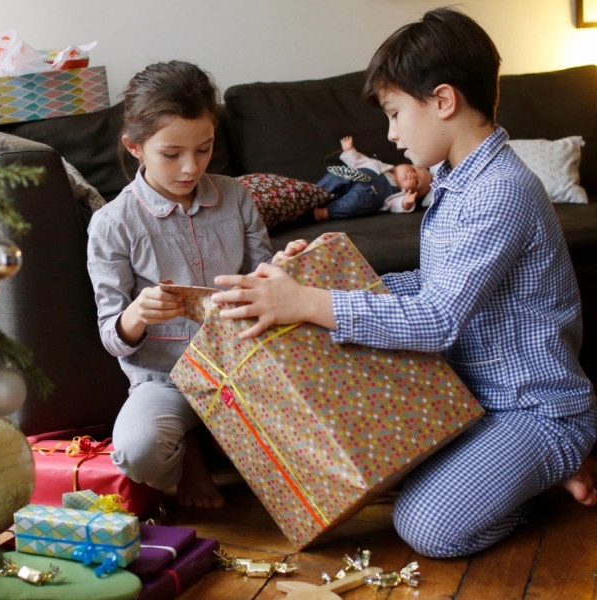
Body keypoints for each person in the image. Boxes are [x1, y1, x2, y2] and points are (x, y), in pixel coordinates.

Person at [211, 8, 597, 557]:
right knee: (370, 466)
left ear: (443, 101)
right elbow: (429, 281)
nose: (390, 135)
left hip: (534, 408)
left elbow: (437, 318)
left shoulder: (501, 191)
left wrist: (310, 301)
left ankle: (550, 464)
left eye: (394, 114)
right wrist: (320, 276)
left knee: (426, 526)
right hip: (470, 398)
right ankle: (516, 470)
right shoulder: (455, 181)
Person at [86, 60, 272, 509]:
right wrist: (136, 315)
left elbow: (267, 279)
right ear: (134, 147)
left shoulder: (236, 197)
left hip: (250, 364)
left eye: (204, 149)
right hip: (167, 380)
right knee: (137, 450)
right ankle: (189, 456)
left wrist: (285, 270)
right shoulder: (112, 224)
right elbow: (112, 336)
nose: (191, 168)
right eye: (172, 154)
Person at [313, 135, 433, 221]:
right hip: (354, 175)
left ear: (411, 192)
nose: (412, 175)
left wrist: (406, 203)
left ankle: (326, 212)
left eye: (416, 181)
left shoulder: (396, 195)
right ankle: (315, 192)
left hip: (364, 196)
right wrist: (350, 151)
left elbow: (397, 205)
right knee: (337, 176)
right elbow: (362, 161)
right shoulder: (381, 166)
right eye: (413, 170)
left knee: (351, 204)